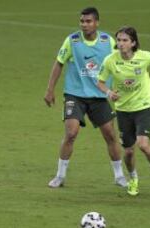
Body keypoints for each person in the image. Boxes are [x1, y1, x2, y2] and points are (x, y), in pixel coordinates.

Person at [44, 7, 127, 188]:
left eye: (88, 21)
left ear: (97, 23)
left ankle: (119, 176)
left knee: (110, 135)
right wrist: (50, 90)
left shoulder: (107, 41)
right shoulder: (72, 41)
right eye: (82, 21)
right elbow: (59, 63)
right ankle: (60, 176)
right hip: (75, 94)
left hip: (98, 95)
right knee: (71, 133)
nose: (84, 25)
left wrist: (120, 88)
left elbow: (119, 64)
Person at [97, 26, 150, 196]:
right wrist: (109, 92)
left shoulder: (144, 57)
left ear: (133, 43)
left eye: (125, 40)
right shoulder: (110, 60)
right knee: (129, 151)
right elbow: (100, 82)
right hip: (123, 109)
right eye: (119, 40)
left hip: (144, 105)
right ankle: (133, 178)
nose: (121, 43)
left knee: (143, 144)